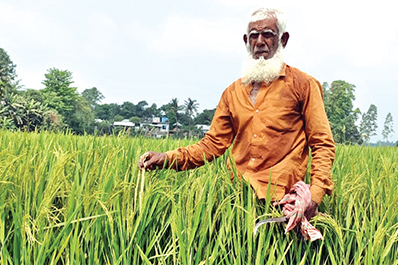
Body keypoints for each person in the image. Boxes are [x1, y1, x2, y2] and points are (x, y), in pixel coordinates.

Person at [138, 7, 335, 215]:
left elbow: (322, 143)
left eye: (268, 34)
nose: (260, 42)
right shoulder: (232, 93)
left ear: (283, 39)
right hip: (237, 199)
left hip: (282, 202)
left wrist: (315, 194)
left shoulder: (303, 85)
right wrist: (166, 158)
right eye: (254, 36)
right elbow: (212, 144)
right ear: (246, 41)